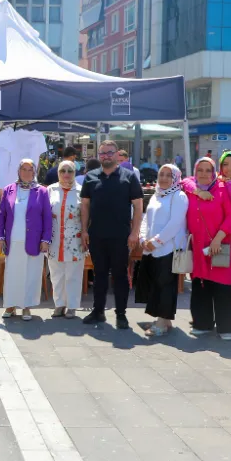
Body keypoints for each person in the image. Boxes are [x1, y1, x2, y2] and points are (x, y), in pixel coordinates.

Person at [183, 152, 231, 322]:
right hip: (216, 233)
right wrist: (198, 191)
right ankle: (205, 319)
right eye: (225, 164)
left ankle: (230, 320)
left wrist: (228, 183)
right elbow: (185, 181)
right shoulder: (213, 182)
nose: (229, 168)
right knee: (209, 275)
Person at [80, 141, 143, 329]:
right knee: (99, 275)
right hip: (97, 235)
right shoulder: (90, 177)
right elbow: (85, 206)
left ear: (117, 155)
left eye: (109, 152)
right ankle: (98, 311)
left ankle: (121, 314)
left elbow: (138, 206)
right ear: (98, 156)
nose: (106, 156)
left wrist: (135, 232)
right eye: (102, 153)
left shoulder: (129, 177)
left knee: (120, 275)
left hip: (121, 236)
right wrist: (84, 230)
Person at [184, 157, 231, 339]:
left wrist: (218, 239)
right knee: (201, 285)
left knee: (222, 286)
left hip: (220, 245)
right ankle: (202, 323)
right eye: (200, 170)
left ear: (214, 172)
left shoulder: (223, 189)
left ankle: (226, 328)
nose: (204, 174)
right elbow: (184, 181)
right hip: (199, 247)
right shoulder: (191, 190)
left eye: (208, 170)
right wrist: (198, 191)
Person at [0, 159, 52, 320]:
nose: (27, 172)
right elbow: (1, 215)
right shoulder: (9, 189)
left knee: (31, 274)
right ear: (18, 171)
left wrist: (45, 239)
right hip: (13, 240)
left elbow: (47, 217)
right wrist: (0, 236)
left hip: (34, 240)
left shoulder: (42, 191)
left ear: (34, 172)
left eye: (30, 169)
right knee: (12, 274)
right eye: (23, 169)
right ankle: (10, 305)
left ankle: (26, 306)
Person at [137, 164, 188, 337]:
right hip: (151, 249)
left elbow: (175, 224)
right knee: (156, 284)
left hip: (168, 248)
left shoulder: (179, 196)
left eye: (169, 175)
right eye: (161, 174)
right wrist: (143, 238)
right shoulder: (156, 195)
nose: (164, 178)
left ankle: (161, 323)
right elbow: (146, 219)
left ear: (176, 178)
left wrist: (156, 242)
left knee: (165, 286)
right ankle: (165, 320)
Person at [47, 159, 85, 318]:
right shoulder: (50, 190)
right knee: (56, 274)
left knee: (73, 274)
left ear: (75, 173)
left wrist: (85, 235)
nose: (66, 174)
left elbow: (87, 216)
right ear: (58, 173)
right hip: (54, 239)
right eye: (63, 171)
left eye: (70, 171)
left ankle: (72, 306)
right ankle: (59, 304)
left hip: (75, 240)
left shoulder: (82, 191)